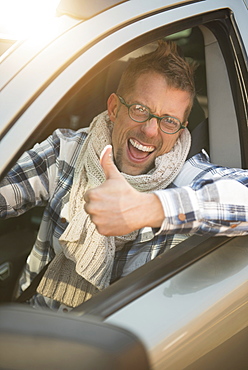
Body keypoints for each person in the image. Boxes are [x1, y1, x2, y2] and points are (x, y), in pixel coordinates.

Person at [0, 41, 248, 311]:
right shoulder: (69, 150)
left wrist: (152, 208)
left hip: (117, 344)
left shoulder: (186, 176)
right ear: (114, 108)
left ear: (180, 129)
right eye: (140, 109)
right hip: (35, 319)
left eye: (169, 121)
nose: (151, 131)